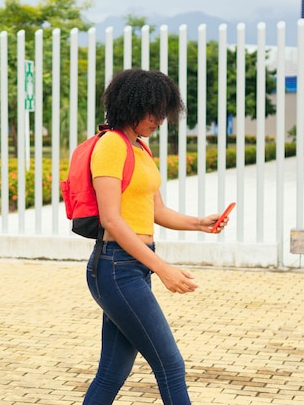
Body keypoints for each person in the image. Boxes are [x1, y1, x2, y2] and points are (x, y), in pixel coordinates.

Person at [83, 67, 229, 404]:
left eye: (163, 111)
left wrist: (200, 223)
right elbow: (112, 220)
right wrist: (163, 268)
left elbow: (156, 211)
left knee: (111, 374)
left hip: (132, 268)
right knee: (170, 365)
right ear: (130, 106)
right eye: (152, 111)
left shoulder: (140, 150)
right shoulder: (111, 146)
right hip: (116, 267)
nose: (159, 120)